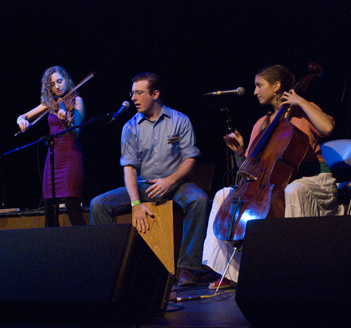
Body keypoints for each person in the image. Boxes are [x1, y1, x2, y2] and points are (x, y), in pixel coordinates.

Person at [202, 64, 338, 290]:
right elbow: (250, 169)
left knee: (292, 191)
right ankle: (229, 272)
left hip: (313, 179)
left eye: (259, 85)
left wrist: (301, 101)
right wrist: (238, 153)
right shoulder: (261, 124)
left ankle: (293, 268)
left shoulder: (305, 110)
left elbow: (327, 128)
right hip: (274, 182)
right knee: (222, 195)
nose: (255, 91)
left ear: (276, 87)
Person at [90, 72, 210, 286]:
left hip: (175, 184)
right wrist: (136, 203)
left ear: (155, 94)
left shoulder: (179, 120)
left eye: (139, 93)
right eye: (132, 93)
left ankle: (188, 267)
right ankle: (108, 266)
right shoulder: (130, 127)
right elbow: (129, 169)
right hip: (143, 186)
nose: (133, 98)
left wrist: (169, 180)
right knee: (98, 204)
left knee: (198, 199)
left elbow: (190, 158)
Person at [17, 66, 86, 227]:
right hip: (53, 159)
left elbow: (75, 133)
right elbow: (23, 116)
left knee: (72, 207)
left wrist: (63, 120)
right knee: (49, 209)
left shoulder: (77, 101)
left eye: (59, 81)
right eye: (53, 84)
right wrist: (21, 121)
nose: (57, 86)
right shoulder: (50, 103)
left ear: (66, 80)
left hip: (71, 157)